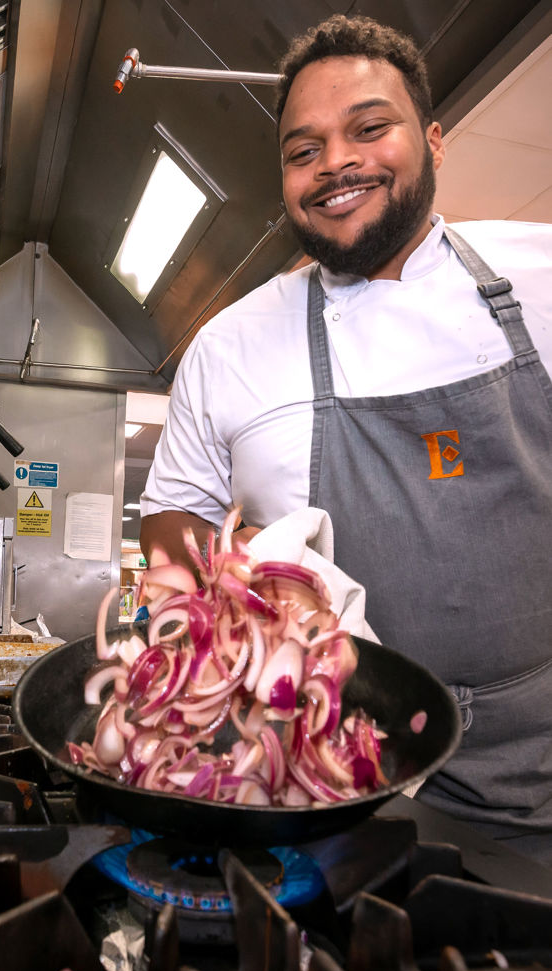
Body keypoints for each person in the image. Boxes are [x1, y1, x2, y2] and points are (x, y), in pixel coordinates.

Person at [140, 14, 552, 864]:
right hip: (331, 775)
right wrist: (237, 587)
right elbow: (172, 517)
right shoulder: (230, 345)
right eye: (303, 150)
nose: (334, 163)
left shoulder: (541, 276)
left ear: (433, 141)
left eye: (369, 128)